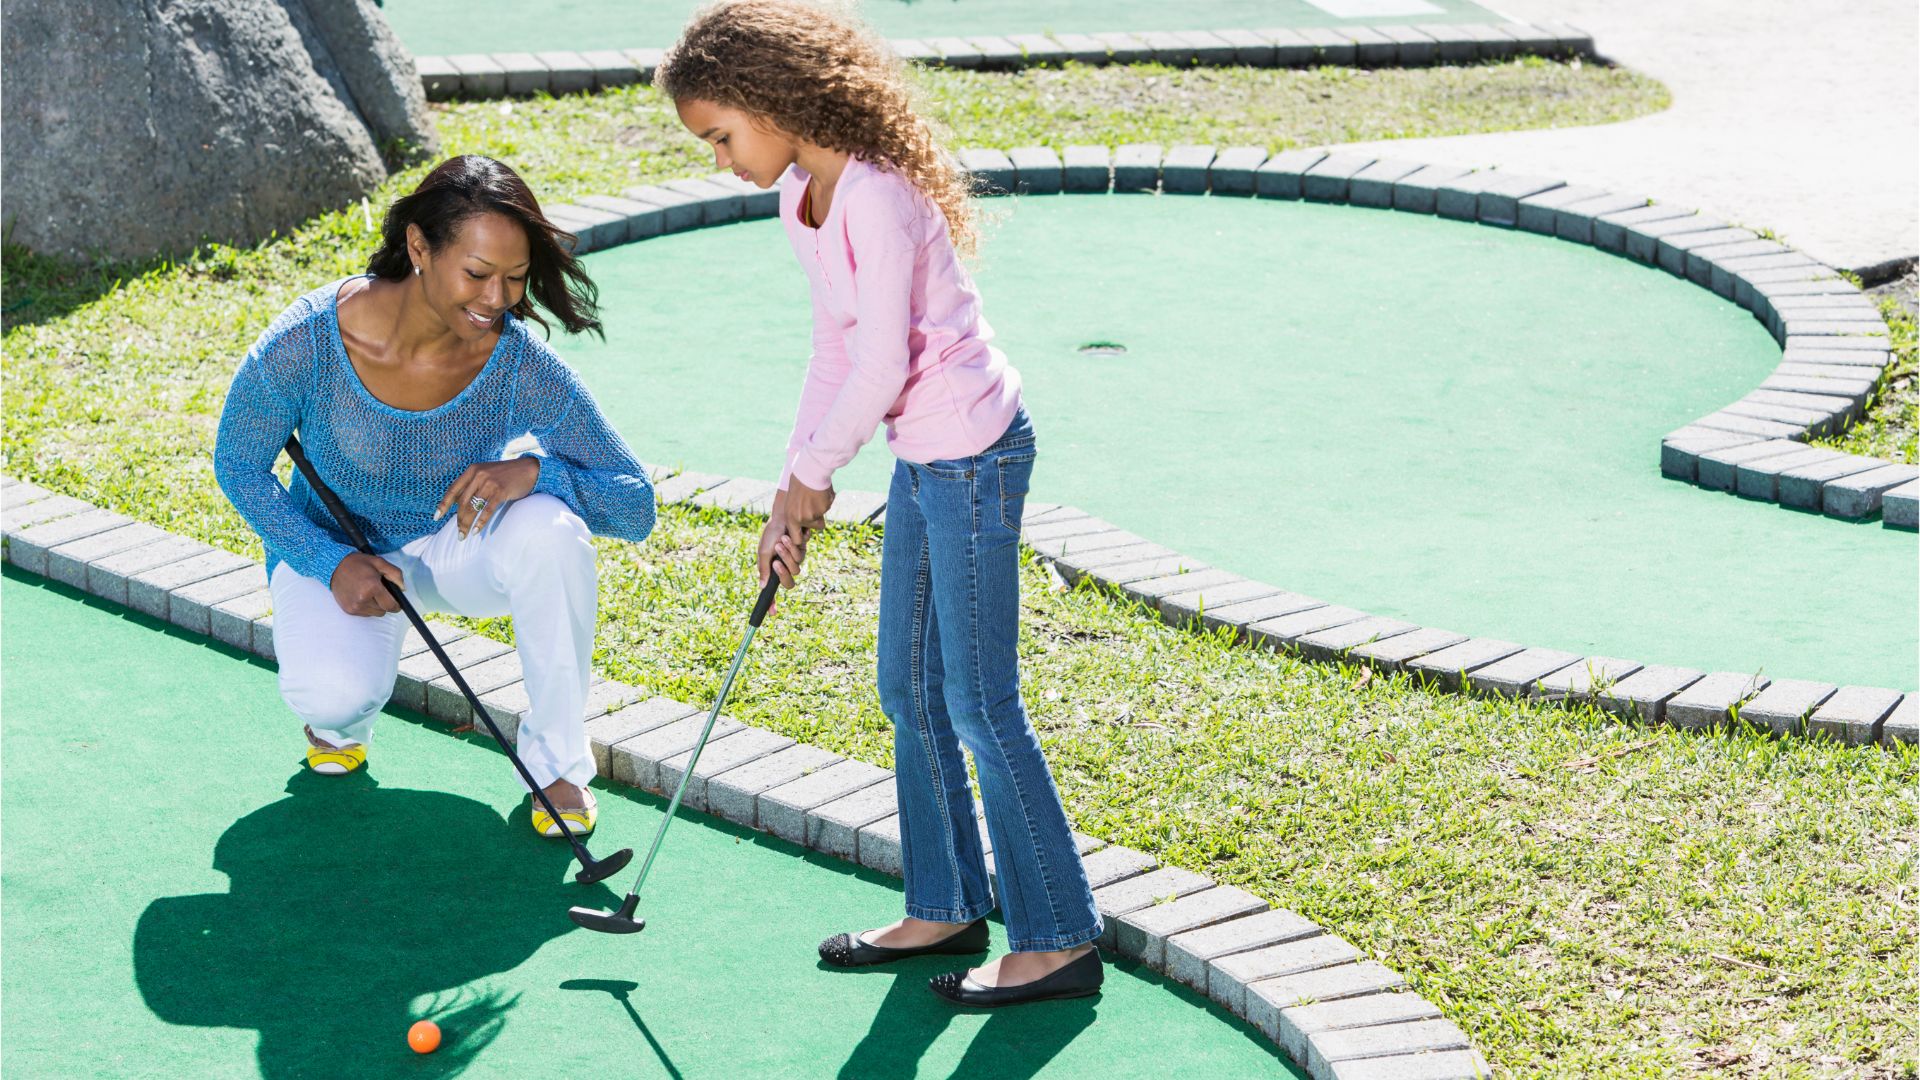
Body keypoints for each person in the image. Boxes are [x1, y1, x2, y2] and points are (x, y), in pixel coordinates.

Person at [656, 0, 1104, 1007]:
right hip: (922, 456)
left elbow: (883, 358)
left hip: (976, 454)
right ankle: (946, 900)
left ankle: (1060, 939)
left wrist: (819, 473)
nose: (721, 159)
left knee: (980, 701)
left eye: (722, 135)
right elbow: (832, 350)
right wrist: (790, 485)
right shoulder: (801, 202)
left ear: (774, 100)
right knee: (908, 689)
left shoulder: (880, 197)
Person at [213, 155, 654, 839]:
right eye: (478, 274)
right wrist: (328, 561)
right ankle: (341, 720)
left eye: (514, 278)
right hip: (347, 556)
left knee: (550, 532)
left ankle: (557, 764)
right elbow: (238, 466)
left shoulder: (517, 364)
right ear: (419, 246)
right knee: (329, 697)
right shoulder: (307, 341)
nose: (498, 298)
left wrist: (536, 473)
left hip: (457, 547)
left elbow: (634, 503)